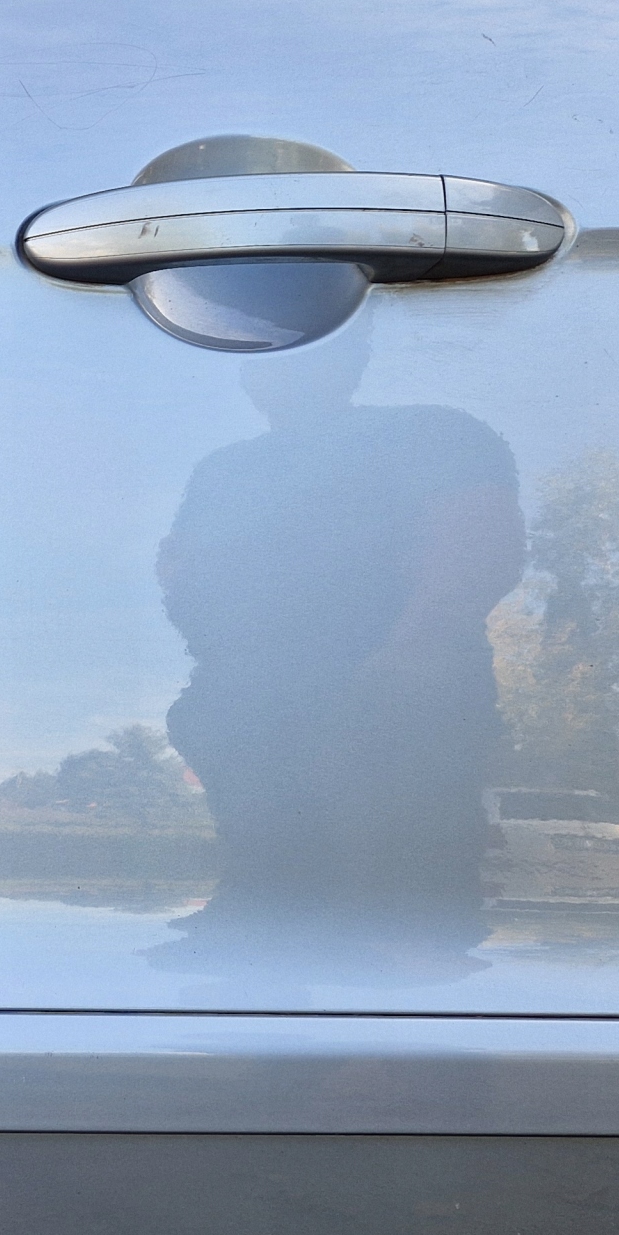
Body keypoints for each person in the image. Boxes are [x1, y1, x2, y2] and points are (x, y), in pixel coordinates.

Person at [155, 311, 526, 964]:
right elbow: (181, 576)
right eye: (263, 354)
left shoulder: (434, 434)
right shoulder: (222, 472)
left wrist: (389, 681)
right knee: (255, 936)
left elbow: (476, 552)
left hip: (389, 742)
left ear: (356, 358)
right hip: (250, 744)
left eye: (309, 346)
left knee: (398, 942)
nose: (279, 366)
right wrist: (211, 707)